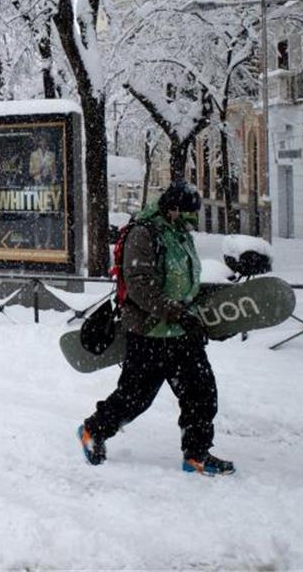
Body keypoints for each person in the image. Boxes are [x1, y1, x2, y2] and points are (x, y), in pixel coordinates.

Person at [77, 180, 234, 477]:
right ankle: (92, 430)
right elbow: (139, 284)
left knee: (201, 393)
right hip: (149, 333)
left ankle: (197, 455)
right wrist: (174, 312)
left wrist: (202, 316)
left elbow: (187, 279)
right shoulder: (144, 233)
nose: (191, 220)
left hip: (182, 332)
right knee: (135, 398)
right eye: (187, 213)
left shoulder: (179, 234)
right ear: (172, 208)